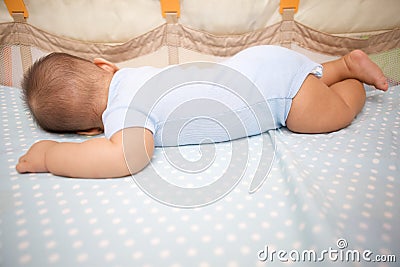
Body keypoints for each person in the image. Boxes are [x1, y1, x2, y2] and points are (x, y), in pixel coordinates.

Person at [16, 45, 388, 178]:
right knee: (304, 77)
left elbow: (127, 157)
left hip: (280, 96)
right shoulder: (129, 76)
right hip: (258, 62)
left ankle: (352, 82)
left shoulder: (122, 113)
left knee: (331, 114)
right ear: (103, 66)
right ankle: (339, 65)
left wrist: (52, 156)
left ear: (88, 131)